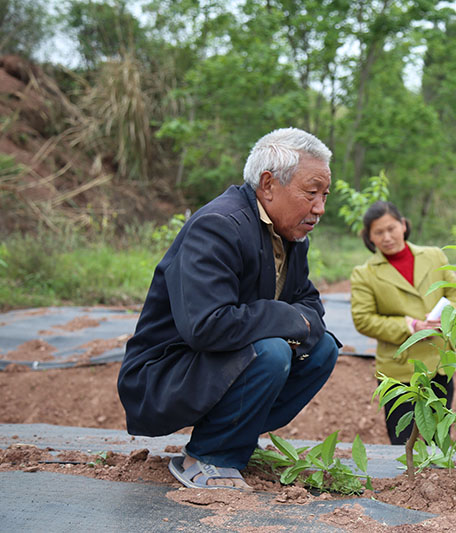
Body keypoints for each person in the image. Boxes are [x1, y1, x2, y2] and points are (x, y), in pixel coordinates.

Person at [118, 128, 340, 490]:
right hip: (165, 373)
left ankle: (234, 436)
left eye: (324, 195)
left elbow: (310, 304)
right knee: (270, 350)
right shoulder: (218, 226)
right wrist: (291, 320)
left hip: (213, 363)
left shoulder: (290, 235)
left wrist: (298, 322)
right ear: (268, 185)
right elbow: (207, 325)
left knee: (323, 348)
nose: (320, 208)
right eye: (311, 193)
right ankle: (208, 457)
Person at [350, 201, 456, 444]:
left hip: (439, 362)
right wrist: (410, 326)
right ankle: (409, 483)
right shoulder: (365, 273)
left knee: (440, 437)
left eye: (391, 228)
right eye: (379, 232)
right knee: (403, 440)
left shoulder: (434, 256)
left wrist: (444, 317)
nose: (387, 237)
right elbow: (363, 319)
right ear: (369, 237)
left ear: (403, 225)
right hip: (399, 371)